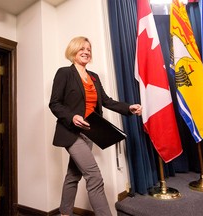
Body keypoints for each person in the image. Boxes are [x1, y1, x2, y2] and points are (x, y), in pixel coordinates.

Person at [49, 36, 142, 216]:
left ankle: (64, 213)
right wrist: (72, 116)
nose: (86, 52)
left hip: (89, 133)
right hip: (71, 132)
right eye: (81, 48)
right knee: (95, 176)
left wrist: (128, 108)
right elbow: (55, 103)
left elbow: (106, 101)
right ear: (73, 51)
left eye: (89, 49)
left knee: (73, 176)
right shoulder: (64, 73)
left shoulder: (94, 77)